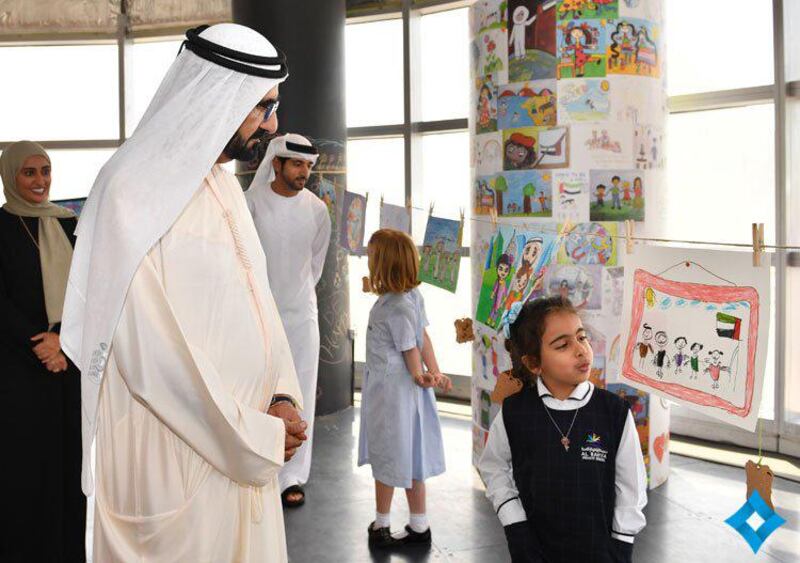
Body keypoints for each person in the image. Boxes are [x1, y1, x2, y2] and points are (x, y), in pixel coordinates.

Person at [61, 24, 306, 562]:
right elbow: (152, 358)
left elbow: (259, 301)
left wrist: (282, 396)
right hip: (174, 463)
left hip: (246, 449)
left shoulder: (222, 184)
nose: (274, 123)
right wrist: (255, 438)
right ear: (218, 97)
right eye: (262, 107)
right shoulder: (129, 189)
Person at [479, 296, 647, 563]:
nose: (581, 350)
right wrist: (515, 525)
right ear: (534, 363)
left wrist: (622, 544)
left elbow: (632, 488)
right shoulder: (515, 412)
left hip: (600, 552)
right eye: (563, 345)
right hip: (533, 551)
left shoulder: (614, 412)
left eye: (582, 338)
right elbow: (492, 466)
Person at [0, 141, 86, 561]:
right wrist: (41, 345)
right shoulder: (0, 226)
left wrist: (65, 341)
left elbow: (90, 290)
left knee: (69, 463)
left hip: (70, 362)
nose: (40, 181)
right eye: (29, 172)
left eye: (45, 171)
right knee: (26, 465)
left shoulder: (70, 224)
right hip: (19, 369)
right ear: (10, 176)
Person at [247, 133, 331, 507]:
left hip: (301, 318)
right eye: (297, 164)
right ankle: (256, 465)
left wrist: (294, 301)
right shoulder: (250, 204)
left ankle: (292, 476)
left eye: (309, 166)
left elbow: (314, 266)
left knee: (299, 394)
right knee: (256, 391)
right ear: (276, 163)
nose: (304, 173)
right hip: (254, 316)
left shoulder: (317, 210)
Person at [358, 229, 452, 548]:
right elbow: (423, 336)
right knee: (412, 454)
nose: (368, 263)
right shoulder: (411, 297)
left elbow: (410, 347)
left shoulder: (395, 306)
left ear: (384, 264)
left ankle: (381, 525)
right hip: (406, 392)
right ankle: (419, 524)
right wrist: (434, 372)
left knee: (387, 453)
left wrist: (419, 374)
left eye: (371, 257)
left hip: (392, 393)